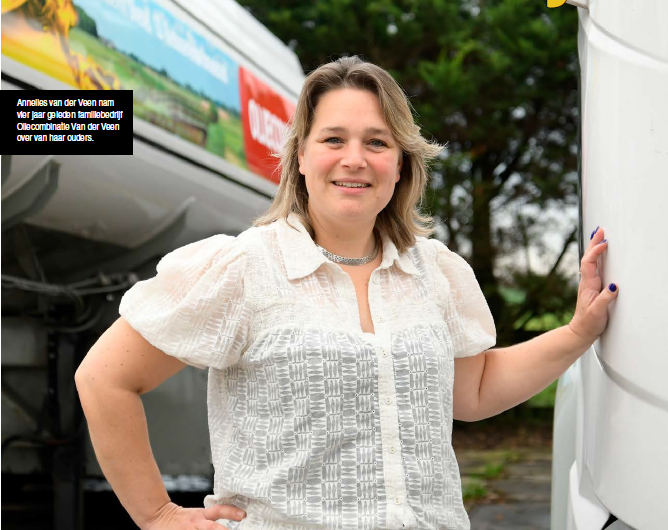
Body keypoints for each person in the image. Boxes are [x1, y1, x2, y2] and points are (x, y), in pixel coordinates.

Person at [75, 56, 618, 530]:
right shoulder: (243, 267)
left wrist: (577, 334)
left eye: (377, 142)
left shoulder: (435, 271)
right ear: (302, 157)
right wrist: (158, 515)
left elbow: (473, 392)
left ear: (400, 162)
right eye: (333, 139)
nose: (355, 158)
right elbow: (104, 378)